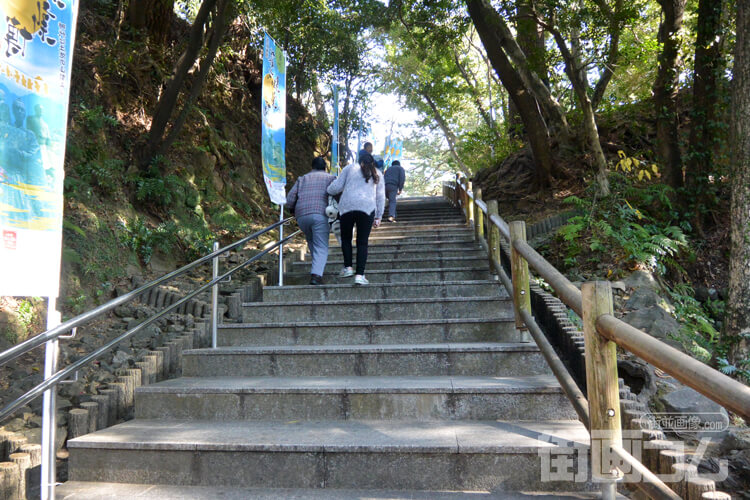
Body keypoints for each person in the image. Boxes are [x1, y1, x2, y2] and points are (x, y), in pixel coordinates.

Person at [327, 152, 385, 285]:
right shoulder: (378, 174)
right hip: (367, 208)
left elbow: (336, 187)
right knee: (362, 242)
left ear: (359, 160)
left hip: (347, 208)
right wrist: (378, 216)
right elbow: (380, 197)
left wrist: (328, 189)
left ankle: (348, 267)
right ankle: (360, 275)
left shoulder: (349, 168)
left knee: (346, 238)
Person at [286, 156, 336, 285]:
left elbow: (290, 198)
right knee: (321, 245)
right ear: (325, 167)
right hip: (320, 214)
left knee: (312, 241)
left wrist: (292, 209)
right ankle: (316, 276)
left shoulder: (302, 179)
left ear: (312, 167)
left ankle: (317, 268)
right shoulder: (330, 178)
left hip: (302, 216)